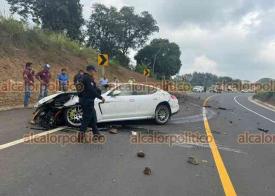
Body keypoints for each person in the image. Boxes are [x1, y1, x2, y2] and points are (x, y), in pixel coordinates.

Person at [77, 65, 105, 142]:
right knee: (86, 119)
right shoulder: (87, 78)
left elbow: (94, 88)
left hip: (86, 100)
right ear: (90, 70)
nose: (94, 73)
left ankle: (96, 135)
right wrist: (100, 97)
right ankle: (80, 137)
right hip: (87, 101)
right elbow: (91, 90)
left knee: (92, 118)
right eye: (93, 71)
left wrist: (100, 89)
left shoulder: (84, 78)